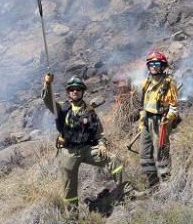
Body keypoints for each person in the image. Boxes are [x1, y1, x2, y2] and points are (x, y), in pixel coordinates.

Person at [42, 72, 123, 213]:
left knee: (113, 160)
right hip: (68, 152)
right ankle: (73, 219)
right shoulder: (61, 108)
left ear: (82, 92)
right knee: (69, 189)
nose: (75, 91)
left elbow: (99, 132)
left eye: (78, 89)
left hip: (87, 150)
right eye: (72, 89)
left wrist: (102, 144)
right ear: (68, 92)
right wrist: (48, 84)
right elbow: (47, 99)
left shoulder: (89, 111)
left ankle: (127, 192)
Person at [132, 51, 179, 188]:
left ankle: (166, 183)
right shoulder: (146, 83)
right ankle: (153, 183)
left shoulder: (169, 84)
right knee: (144, 155)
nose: (154, 66)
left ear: (162, 66)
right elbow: (143, 106)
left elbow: (174, 107)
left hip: (161, 121)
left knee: (161, 154)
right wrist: (142, 124)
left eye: (157, 64)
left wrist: (168, 120)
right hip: (147, 121)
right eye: (151, 64)